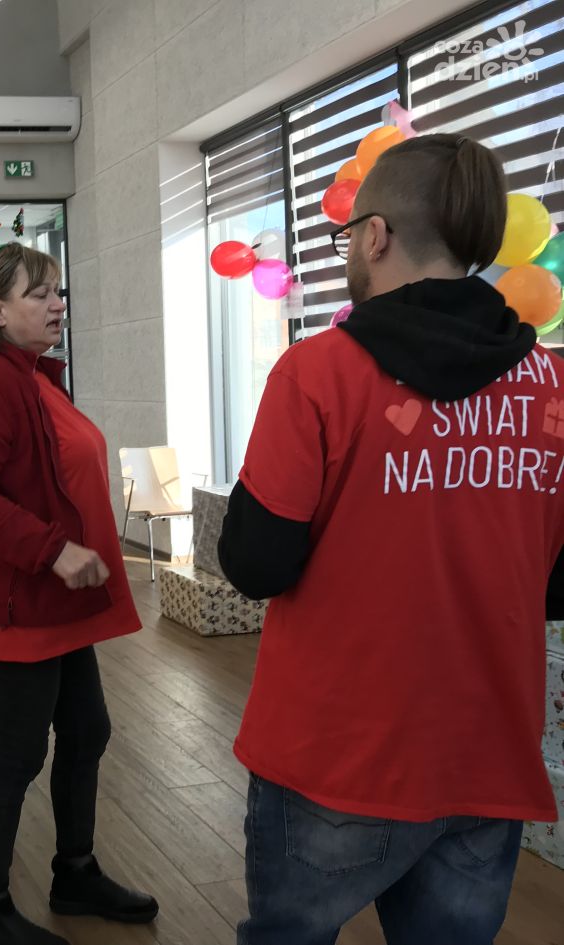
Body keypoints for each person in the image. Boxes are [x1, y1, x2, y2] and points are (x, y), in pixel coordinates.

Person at [218, 134, 564, 945]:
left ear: (374, 236)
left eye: (347, 236)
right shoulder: (553, 385)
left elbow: (255, 562)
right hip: (487, 750)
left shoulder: (316, 374)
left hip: (335, 754)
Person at [0, 242, 159, 945]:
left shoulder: (35, 377)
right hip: (24, 600)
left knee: (88, 730)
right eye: (39, 294)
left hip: (58, 600)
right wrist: (52, 549)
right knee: (16, 755)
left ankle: (75, 871)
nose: (57, 304)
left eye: (58, 291)